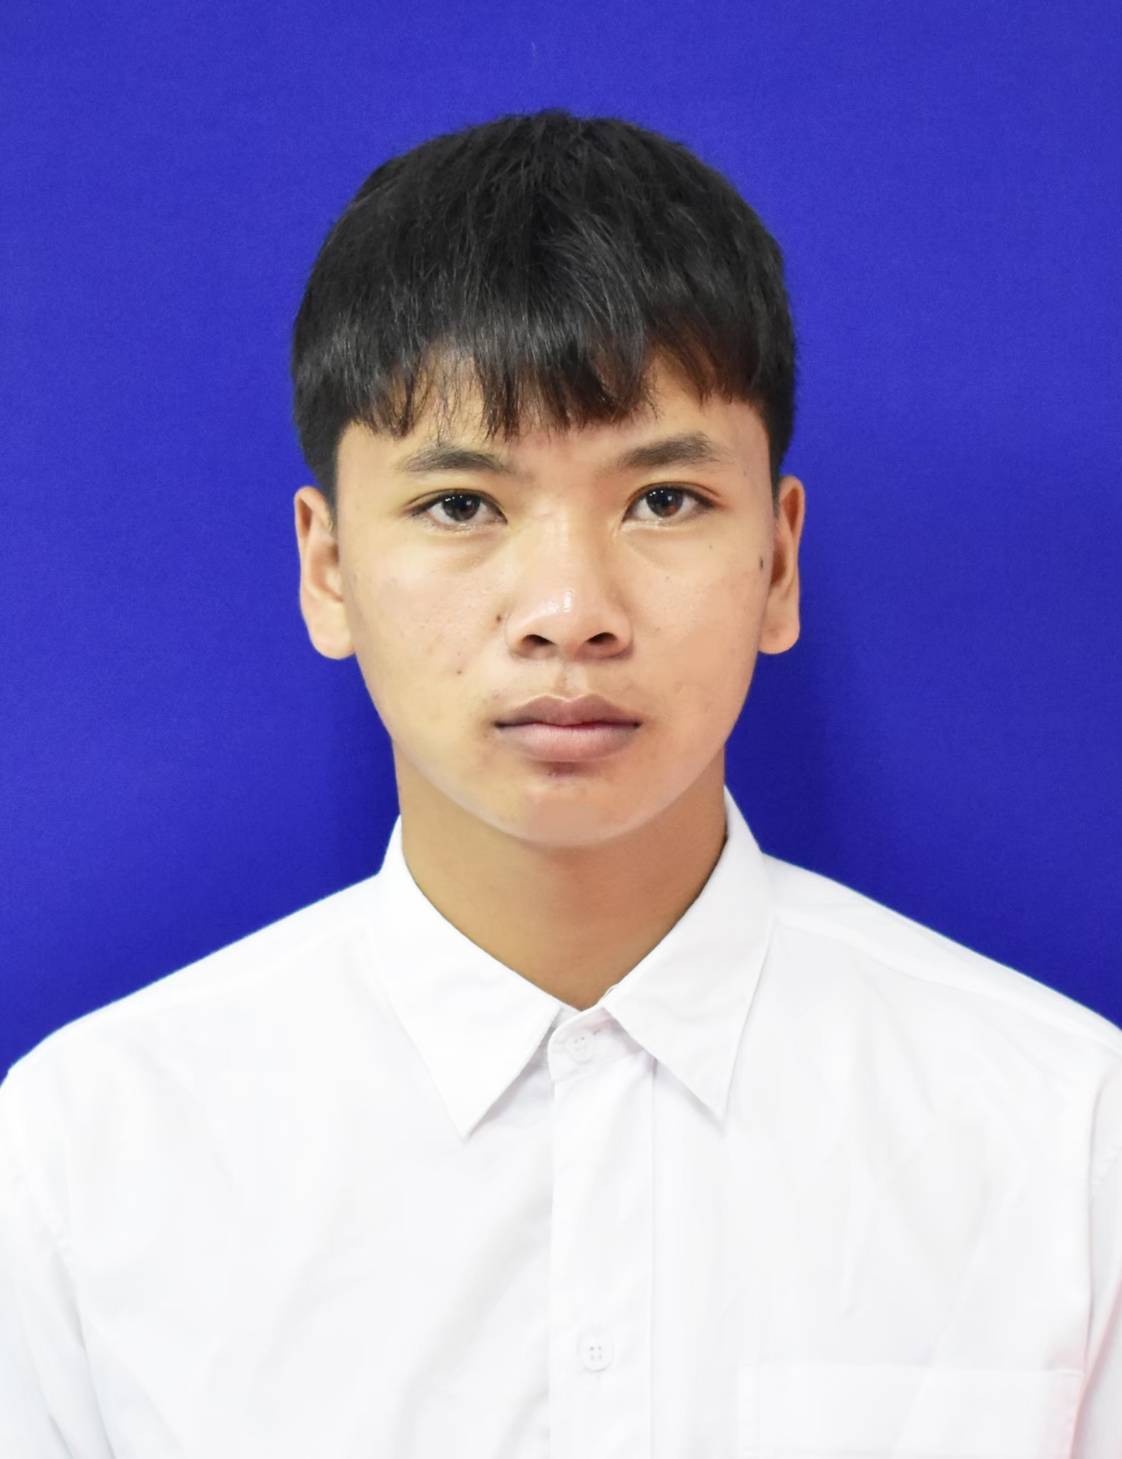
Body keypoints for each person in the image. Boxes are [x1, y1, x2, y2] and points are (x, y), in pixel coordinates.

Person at [1, 108, 1119, 1458]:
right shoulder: (84, 1165)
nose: (569, 612)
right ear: (328, 568)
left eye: (663, 500)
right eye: (461, 505)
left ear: (777, 562)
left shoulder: (1066, 1143)